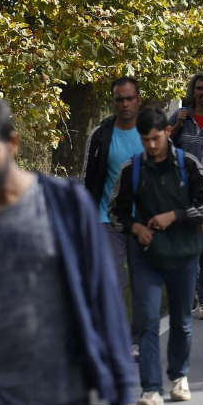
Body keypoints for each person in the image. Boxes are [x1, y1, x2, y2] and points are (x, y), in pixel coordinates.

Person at [0, 94, 138, 405]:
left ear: (12, 143)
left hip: (59, 392)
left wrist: (124, 395)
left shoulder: (65, 205)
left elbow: (102, 297)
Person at [109, 108, 203, 405]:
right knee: (146, 322)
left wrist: (177, 216)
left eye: (156, 138)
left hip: (184, 253)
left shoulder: (188, 164)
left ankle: (179, 376)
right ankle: (151, 389)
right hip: (146, 256)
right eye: (145, 140)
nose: (151, 146)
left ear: (167, 133)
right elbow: (115, 211)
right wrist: (135, 227)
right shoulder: (132, 169)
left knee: (183, 320)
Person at [82, 76, 144, 300]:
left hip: (144, 221)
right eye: (119, 100)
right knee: (112, 285)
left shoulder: (153, 132)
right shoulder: (100, 134)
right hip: (107, 219)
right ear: (113, 101)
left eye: (129, 99)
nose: (125, 104)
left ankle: (141, 332)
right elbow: (87, 178)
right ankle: (115, 332)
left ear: (139, 99)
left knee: (144, 287)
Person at [169, 72, 203, 320]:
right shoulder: (181, 118)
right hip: (184, 191)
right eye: (199, 88)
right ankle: (189, 294)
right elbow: (161, 146)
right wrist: (177, 125)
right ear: (193, 91)